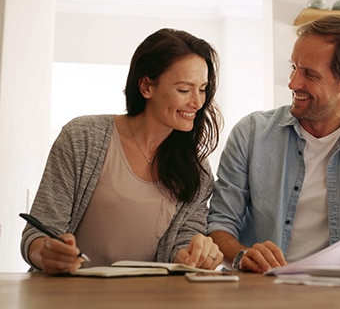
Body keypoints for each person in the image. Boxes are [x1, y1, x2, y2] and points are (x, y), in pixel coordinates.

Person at [207, 15, 340, 273]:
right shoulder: (251, 134)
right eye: (293, 68)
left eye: (309, 74)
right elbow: (219, 225)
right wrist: (242, 255)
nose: (293, 83)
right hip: (264, 289)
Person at [21, 28, 223, 275]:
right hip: (69, 297)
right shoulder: (82, 138)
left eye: (202, 89)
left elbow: (181, 245)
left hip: (148, 299)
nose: (198, 102)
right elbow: (37, 233)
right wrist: (45, 253)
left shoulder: (197, 168)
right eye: (184, 90)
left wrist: (192, 255)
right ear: (147, 86)